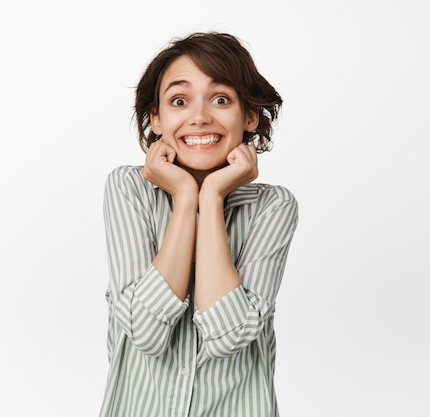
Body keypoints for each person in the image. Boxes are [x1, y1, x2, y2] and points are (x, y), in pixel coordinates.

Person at [100, 32, 298, 417]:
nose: (200, 116)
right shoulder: (128, 189)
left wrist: (211, 198)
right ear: (156, 118)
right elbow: (145, 333)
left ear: (250, 117)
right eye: (179, 100)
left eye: (221, 99)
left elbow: (228, 336)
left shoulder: (273, 207)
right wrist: (186, 196)